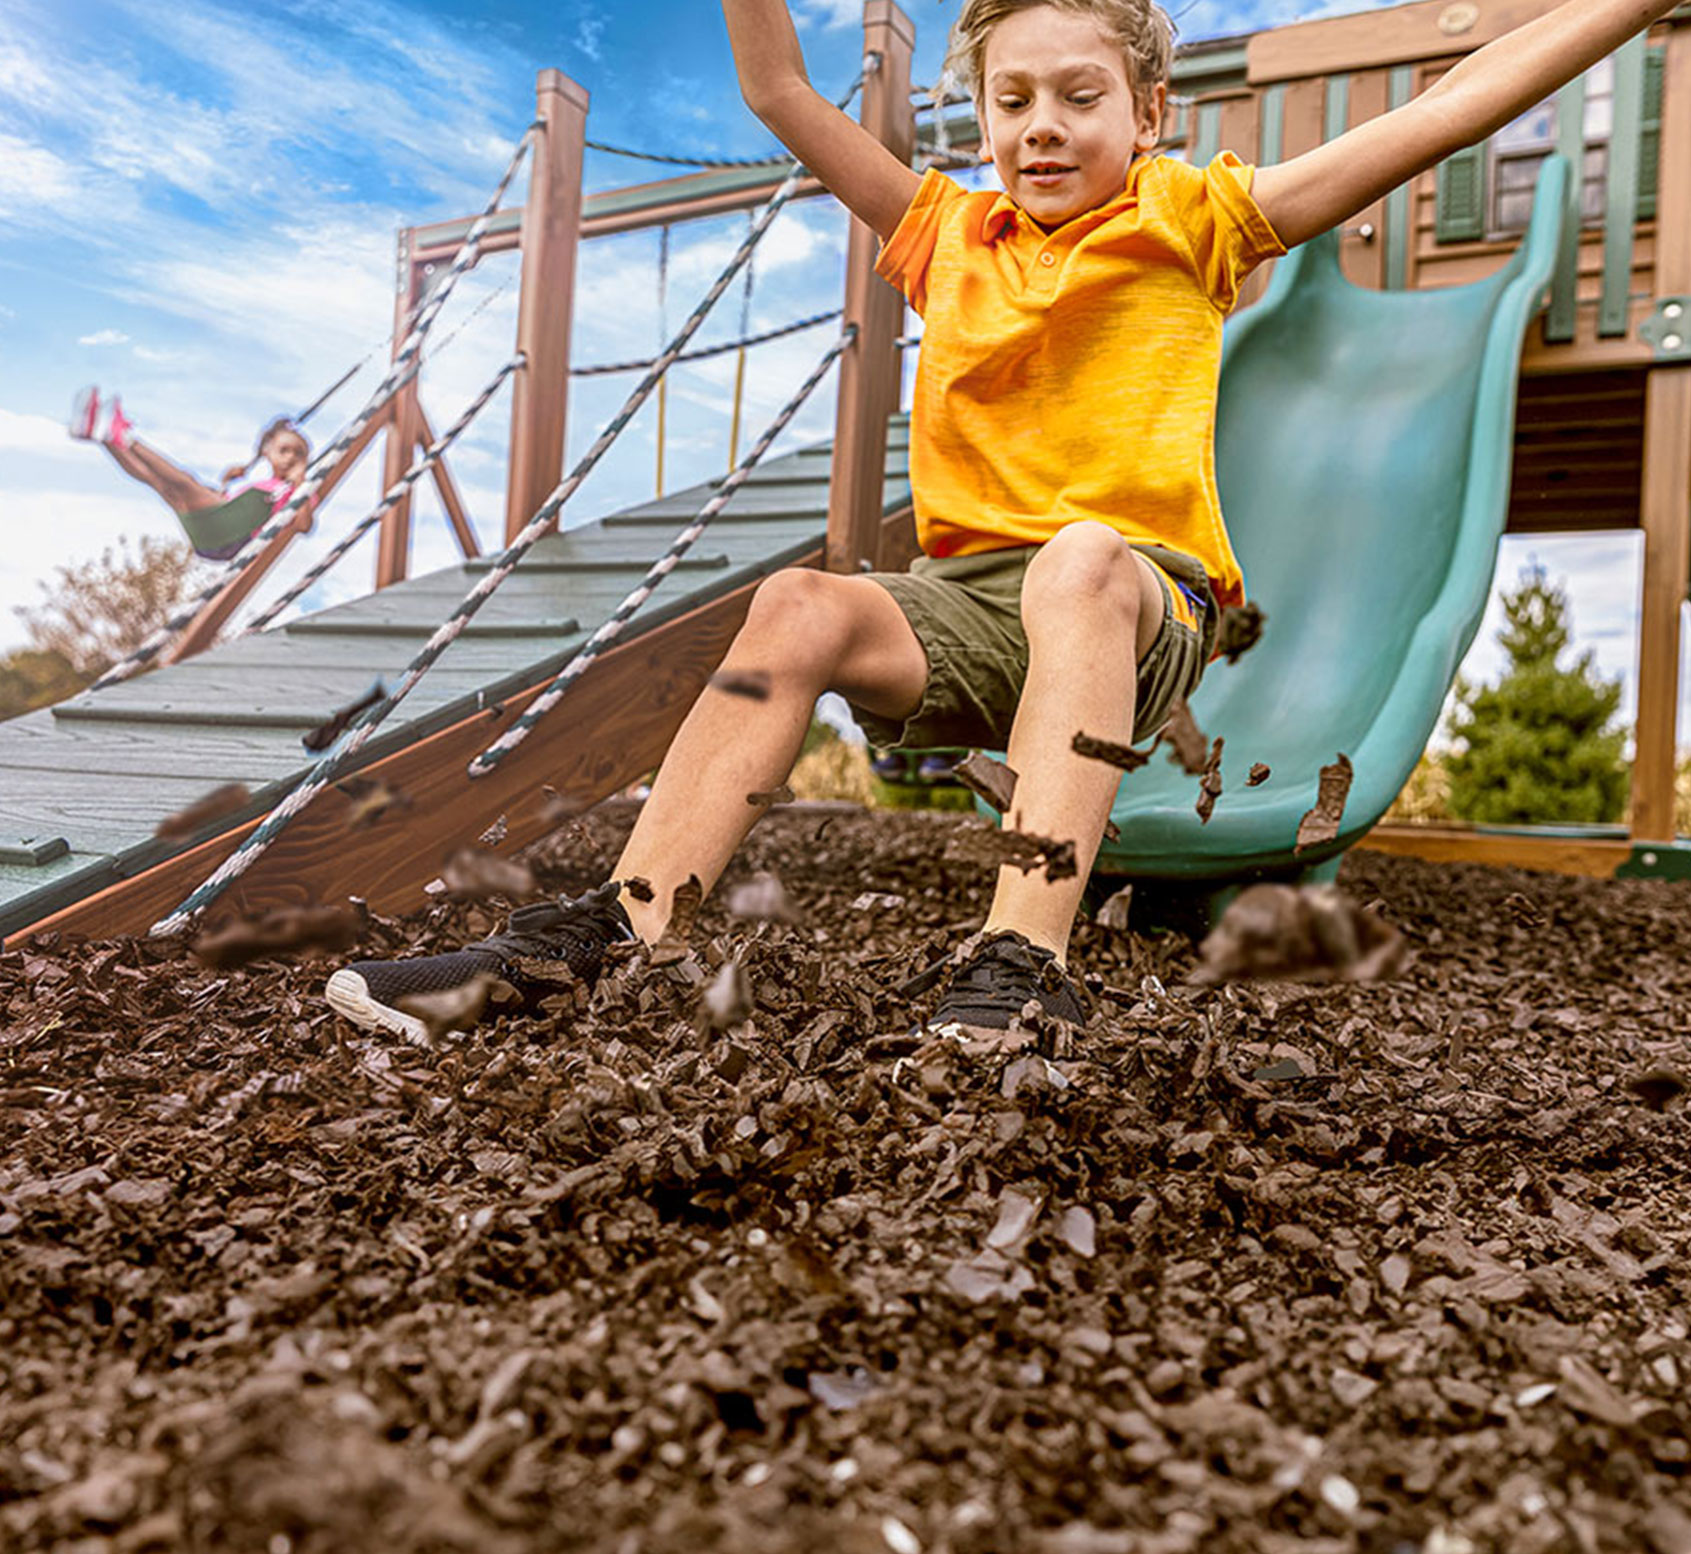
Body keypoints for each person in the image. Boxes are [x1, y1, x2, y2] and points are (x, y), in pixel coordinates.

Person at [325, 0, 1679, 1047]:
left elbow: (1441, 115)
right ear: (978, 121)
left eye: (1077, 97)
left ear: (1143, 110)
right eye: (1011, 100)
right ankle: (629, 936)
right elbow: (777, 88)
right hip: (975, 618)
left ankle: (1019, 960)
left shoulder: (1194, 221)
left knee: (1082, 556)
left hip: (1137, 601)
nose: (1041, 125)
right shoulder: (940, 232)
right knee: (797, 601)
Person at [70, 389, 315, 561]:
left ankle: (124, 437)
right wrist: (228, 483)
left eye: (300, 454)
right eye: (284, 450)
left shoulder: (297, 490)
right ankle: (102, 437)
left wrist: (301, 482)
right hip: (213, 533)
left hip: (230, 534)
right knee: (162, 484)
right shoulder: (264, 483)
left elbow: (303, 525)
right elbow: (228, 500)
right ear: (267, 453)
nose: (292, 457)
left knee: (185, 482)